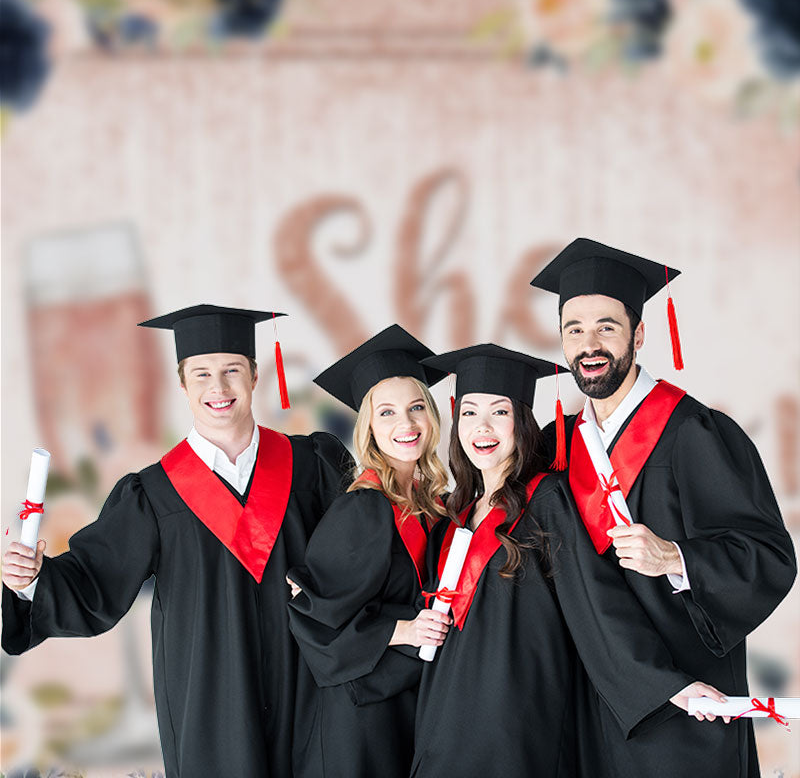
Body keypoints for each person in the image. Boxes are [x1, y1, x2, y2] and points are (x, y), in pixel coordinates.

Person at [2, 304, 353, 778]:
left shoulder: (312, 465)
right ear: (183, 385)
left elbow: (361, 555)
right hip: (210, 700)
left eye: (232, 370)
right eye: (202, 374)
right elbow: (94, 580)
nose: (218, 387)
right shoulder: (154, 493)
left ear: (255, 375)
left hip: (310, 686)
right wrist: (30, 580)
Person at [530, 238, 797, 778]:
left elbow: (770, 557)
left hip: (685, 703)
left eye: (606, 327)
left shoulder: (694, 432)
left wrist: (675, 557)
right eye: (573, 330)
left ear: (639, 334)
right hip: (588, 699)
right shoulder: (554, 443)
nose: (588, 345)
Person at [411, 344, 724, 778]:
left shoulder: (546, 499)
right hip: (445, 716)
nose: (482, 427)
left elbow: (594, 598)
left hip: (515, 718)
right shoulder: (453, 515)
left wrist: (667, 685)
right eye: (469, 413)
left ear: (522, 422)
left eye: (499, 412)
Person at [286, 325, 452, 778]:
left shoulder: (433, 502)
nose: (407, 424)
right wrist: (403, 629)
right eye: (387, 413)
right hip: (361, 715)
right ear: (370, 428)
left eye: (416, 407)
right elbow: (315, 618)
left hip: (410, 696)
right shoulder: (363, 508)